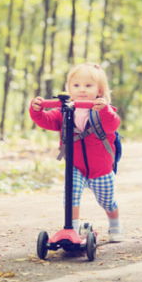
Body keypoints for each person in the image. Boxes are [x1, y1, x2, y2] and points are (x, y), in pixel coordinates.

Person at [30, 63, 123, 242]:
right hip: (76, 165)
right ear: (68, 88)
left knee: (107, 201)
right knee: (71, 195)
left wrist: (103, 109)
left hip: (101, 168)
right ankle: (71, 228)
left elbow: (113, 125)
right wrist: (36, 110)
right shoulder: (64, 112)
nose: (82, 90)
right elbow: (46, 120)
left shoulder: (103, 111)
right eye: (76, 85)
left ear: (99, 90)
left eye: (88, 86)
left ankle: (115, 224)